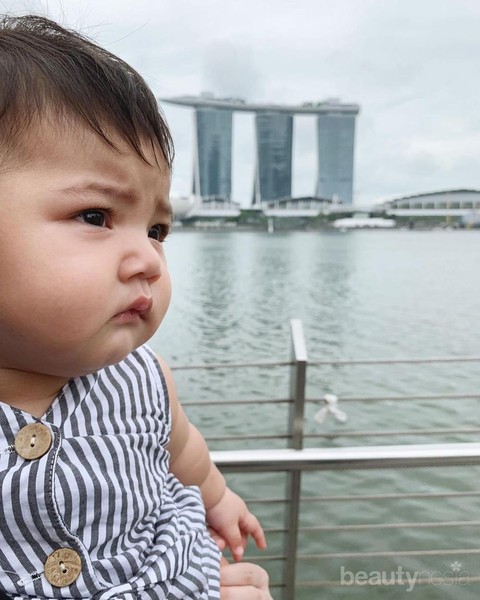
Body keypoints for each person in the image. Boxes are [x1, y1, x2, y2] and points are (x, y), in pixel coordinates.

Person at [0, 14, 272, 600]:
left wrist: (220, 500)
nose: (148, 258)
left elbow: (187, 457)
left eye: (156, 230)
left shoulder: (145, 380)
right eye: (95, 216)